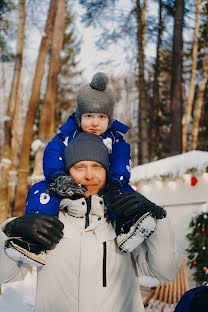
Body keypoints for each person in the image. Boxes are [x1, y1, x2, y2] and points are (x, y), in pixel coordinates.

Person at [0, 133, 180, 312]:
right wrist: (8, 230)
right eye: (79, 167)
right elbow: (5, 275)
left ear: (107, 172)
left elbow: (166, 272)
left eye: (96, 166)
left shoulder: (125, 224)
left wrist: (159, 219)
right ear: (67, 173)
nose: (89, 175)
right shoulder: (48, 220)